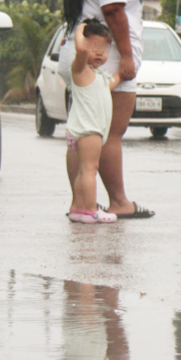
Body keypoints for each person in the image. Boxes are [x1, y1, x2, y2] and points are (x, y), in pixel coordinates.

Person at [59, 0, 155, 219]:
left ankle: (80, 203)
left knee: (83, 133)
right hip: (105, 57)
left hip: (81, 54)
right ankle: (118, 202)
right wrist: (127, 56)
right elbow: (113, 11)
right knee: (111, 133)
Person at [65, 21, 120, 224]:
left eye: (103, 49)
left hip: (84, 129)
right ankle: (91, 209)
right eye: (93, 48)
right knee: (90, 170)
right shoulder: (80, 70)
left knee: (83, 170)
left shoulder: (97, 76)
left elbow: (110, 84)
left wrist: (121, 74)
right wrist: (80, 28)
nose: (98, 53)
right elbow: (80, 49)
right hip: (89, 130)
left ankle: (78, 208)